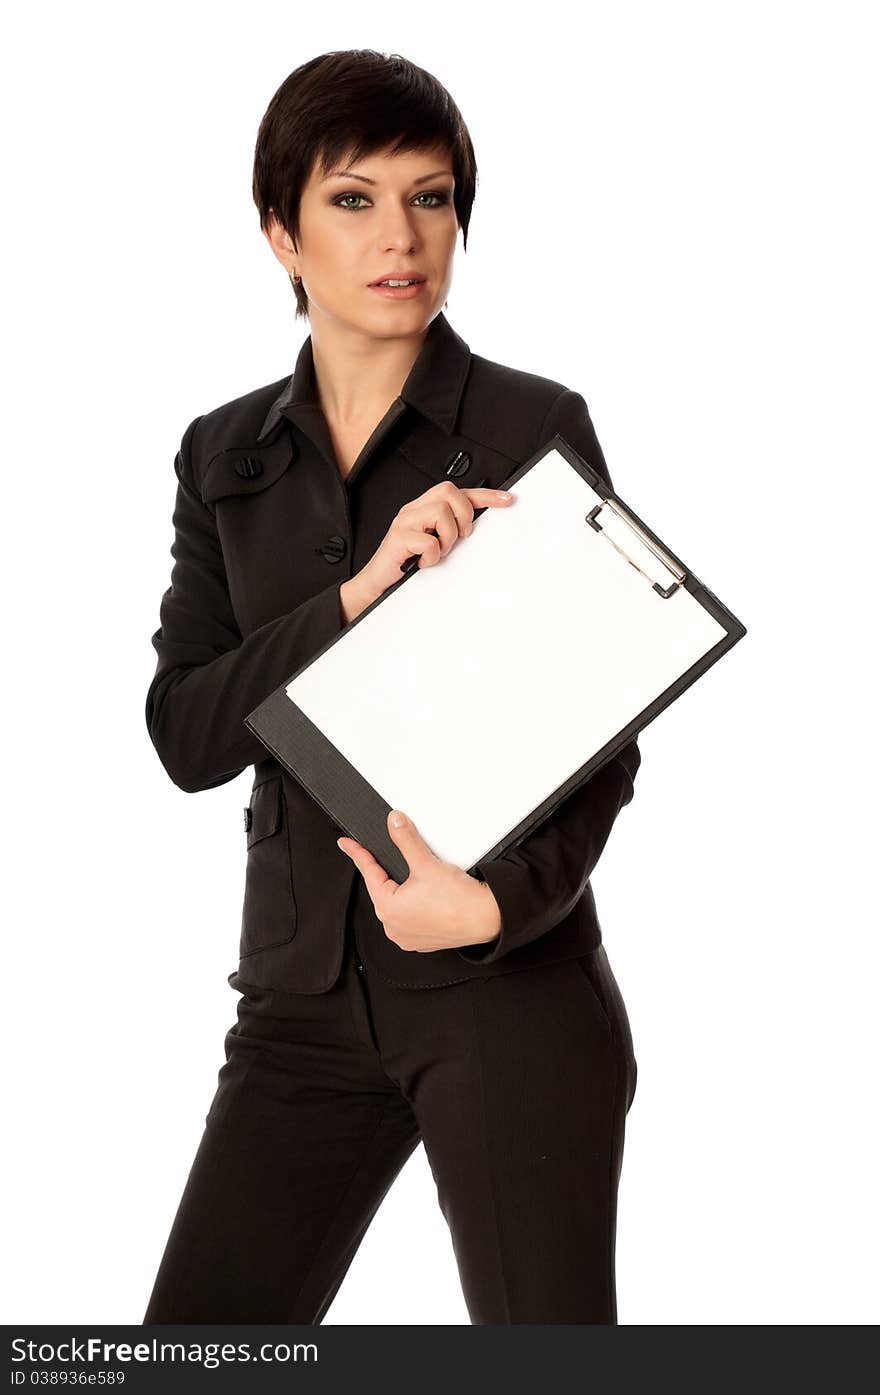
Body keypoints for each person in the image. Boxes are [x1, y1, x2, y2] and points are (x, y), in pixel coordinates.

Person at [142, 48, 642, 1326]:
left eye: (431, 198)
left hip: (504, 995)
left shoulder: (532, 424)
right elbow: (188, 733)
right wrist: (358, 594)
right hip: (300, 999)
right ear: (280, 233)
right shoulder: (221, 456)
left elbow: (606, 736)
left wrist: (489, 908)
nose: (401, 237)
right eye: (353, 200)